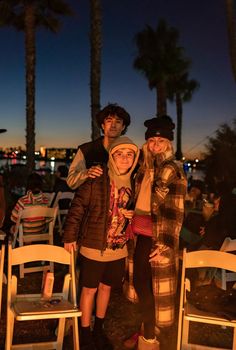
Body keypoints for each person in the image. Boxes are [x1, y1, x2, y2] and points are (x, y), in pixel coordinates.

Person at [63, 136, 140, 350]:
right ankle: (85, 332)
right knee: (89, 289)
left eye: (129, 154)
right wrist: (69, 237)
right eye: (119, 154)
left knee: (106, 288)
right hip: (93, 245)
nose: (124, 158)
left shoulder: (136, 182)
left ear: (134, 158)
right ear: (111, 156)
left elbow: (140, 211)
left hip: (119, 248)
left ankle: (99, 329)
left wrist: (133, 214)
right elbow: (77, 208)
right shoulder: (97, 177)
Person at [125, 116, 187, 350]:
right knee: (144, 284)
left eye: (160, 140)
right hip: (141, 230)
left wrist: (168, 246)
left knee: (145, 283)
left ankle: (149, 337)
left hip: (157, 235)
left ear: (168, 143)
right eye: (151, 140)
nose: (155, 145)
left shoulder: (170, 168)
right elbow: (142, 201)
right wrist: (132, 211)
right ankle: (147, 327)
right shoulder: (147, 166)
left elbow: (174, 212)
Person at [66, 103, 131, 190]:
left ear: (123, 127)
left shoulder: (130, 152)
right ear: (103, 125)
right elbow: (71, 182)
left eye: (118, 122)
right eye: (109, 121)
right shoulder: (86, 150)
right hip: (91, 202)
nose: (113, 125)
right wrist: (87, 173)